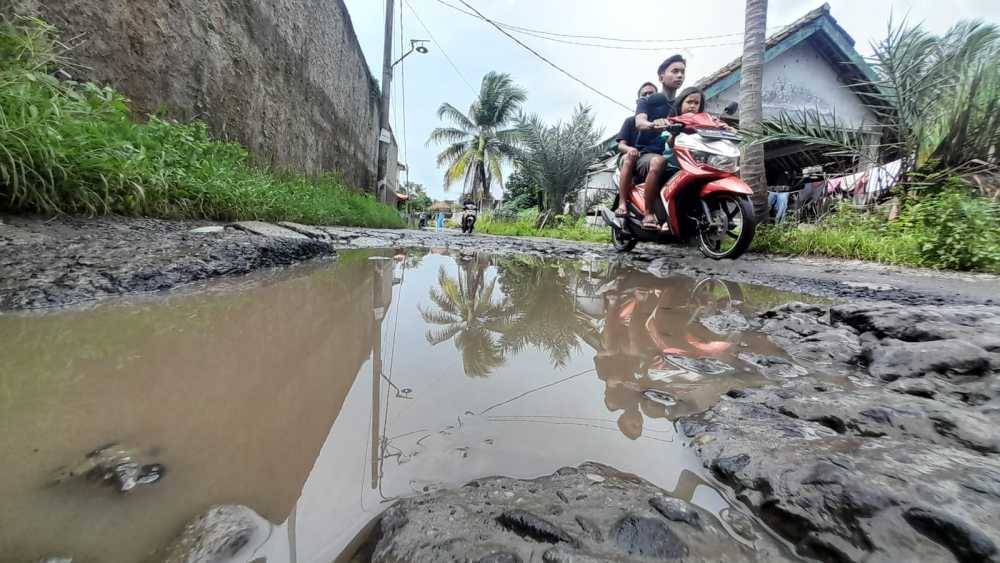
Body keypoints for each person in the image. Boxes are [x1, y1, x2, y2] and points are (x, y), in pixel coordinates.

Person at [634, 55, 686, 230]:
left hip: (676, 153)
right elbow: (639, 122)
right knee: (659, 161)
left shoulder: (682, 104)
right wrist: (652, 124)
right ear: (661, 77)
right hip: (647, 154)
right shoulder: (647, 101)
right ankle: (648, 213)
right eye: (675, 71)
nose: (680, 75)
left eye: (682, 72)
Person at [614, 82, 658, 217]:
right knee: (630, 157)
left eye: (652, 94)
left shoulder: (661, 121)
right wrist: (630, 149)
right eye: (644, 94)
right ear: (638, 100)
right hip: (630, 157)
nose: (648, 96)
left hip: (648, 158)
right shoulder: (630, 121)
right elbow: (620, 145)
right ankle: (622, 203)